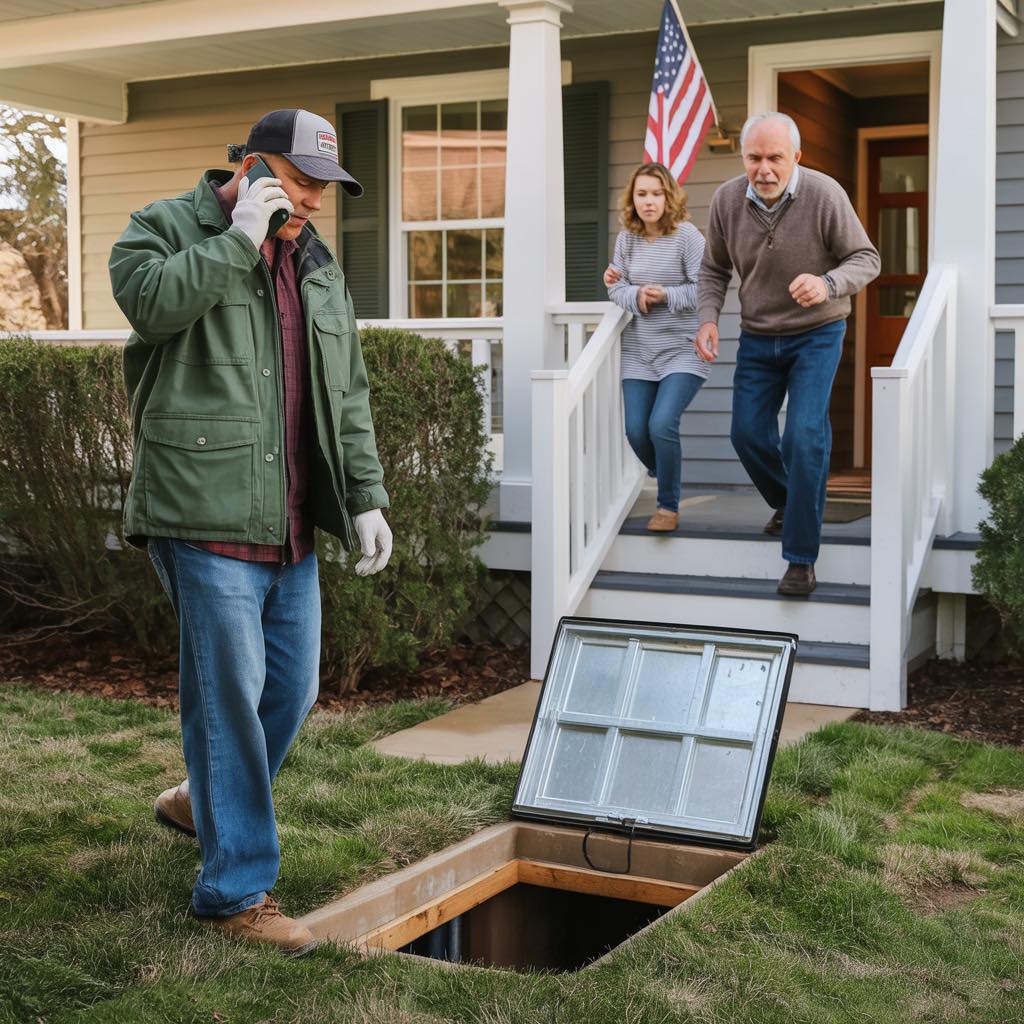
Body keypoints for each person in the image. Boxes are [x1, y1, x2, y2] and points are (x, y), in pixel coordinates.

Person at [108, 109, 393, 956]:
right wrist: (237, 238)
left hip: (292, 518)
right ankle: (234, 892)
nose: (313, 200)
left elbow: (346, 387)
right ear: (254, 164)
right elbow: (151, 307)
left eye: (324, 188)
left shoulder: (315, 262)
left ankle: (205, 803)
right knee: (228, 699)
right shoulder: (160, 229)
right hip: (199, 511)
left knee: (291, 691)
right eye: (300, 182)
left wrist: (367, 493)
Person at [696, 112, 880, 595]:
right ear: (744, 159)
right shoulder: (726, 201)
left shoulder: (824, 194)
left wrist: (826, 283)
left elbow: (866, 259)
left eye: (775, 157)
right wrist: (708, 318)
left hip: (817, 333)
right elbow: (713, 269)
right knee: (747, 434)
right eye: (754, 158)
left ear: (796, 157)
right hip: (758, 335)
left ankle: (801, 557)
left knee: (804, 435)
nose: (764, 169)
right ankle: (789, 499)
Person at [604, 162, 708, 532]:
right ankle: (662, 467)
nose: (649, 201)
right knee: (635, 430)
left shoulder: (688, 237)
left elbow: (704, 289)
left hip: (682, 348)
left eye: (657, 193)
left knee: (662, 423)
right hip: (639, 350)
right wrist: (634, 294)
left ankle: (667, 506)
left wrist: (664, 294)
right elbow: (615, 285)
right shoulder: (626, 239)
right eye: (642, 194)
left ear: (669, 196)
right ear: (632, 199)